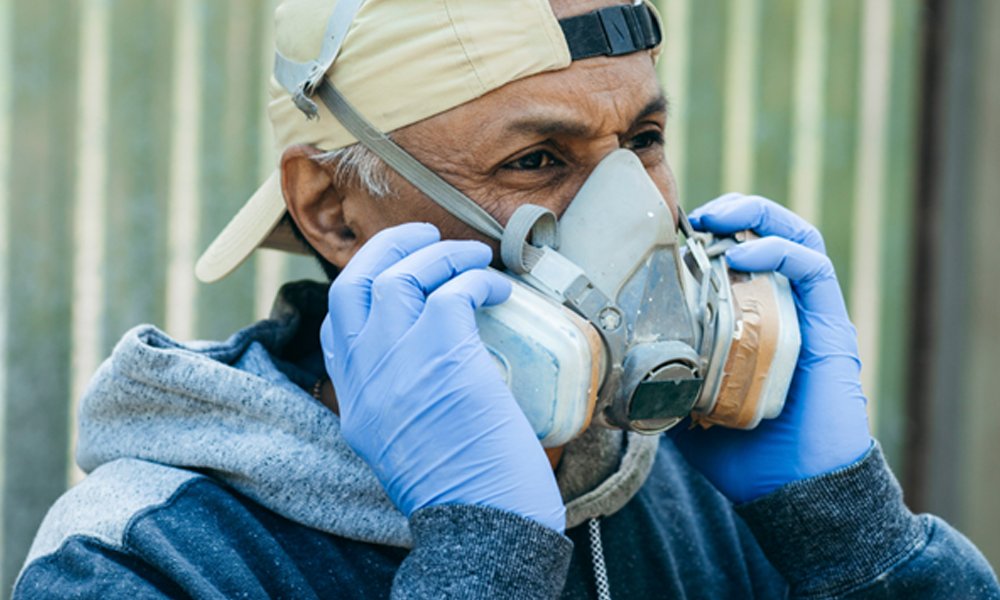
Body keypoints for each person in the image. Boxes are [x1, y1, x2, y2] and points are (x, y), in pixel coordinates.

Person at [14, 0, 1000, 598]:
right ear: (332, 211)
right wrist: (488, 555)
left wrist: (855, 539)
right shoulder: (147, 557)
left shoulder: (704, 495)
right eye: (536, 161)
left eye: (643, 141)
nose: (641, 213)